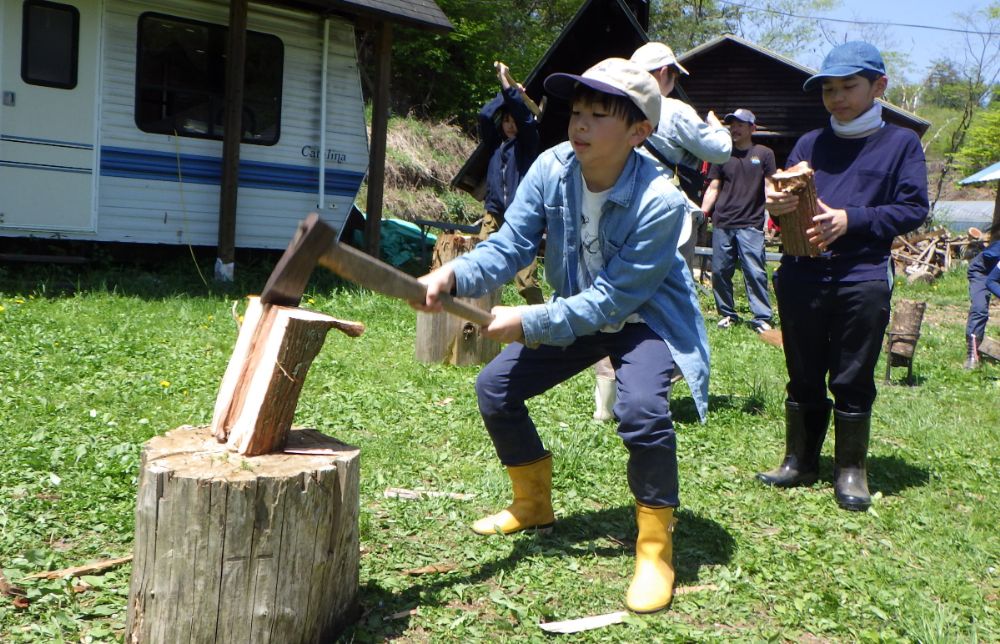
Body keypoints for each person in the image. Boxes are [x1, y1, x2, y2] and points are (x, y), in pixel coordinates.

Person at [413, 58, 709, 613]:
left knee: (641, 409)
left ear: (639, 132)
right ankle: (532, 505)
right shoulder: (551, 168)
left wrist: (525, 321)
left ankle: (654, 550)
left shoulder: (662, 202)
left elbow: (613, 301)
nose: (580, 124)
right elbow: (510, 247)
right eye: (576, 112)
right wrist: (452, 275)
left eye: (599, 115)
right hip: (578, 311)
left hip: (643, 319)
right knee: (495, 389)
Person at [757, 41, 929, 511]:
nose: (837, 97)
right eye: (828, 89)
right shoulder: (810, 143)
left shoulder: (901, 143)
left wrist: (851, 220)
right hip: (801, 272)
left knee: (852, 374)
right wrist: (776, 207)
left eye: (849, 86)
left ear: (879, 86)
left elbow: (914, 208)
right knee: (803, 370)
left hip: (862, 274)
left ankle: (850, 470)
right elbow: (781, 206)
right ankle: (800, 460)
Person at [587, 41, 731, 424]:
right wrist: (719, 129)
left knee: (609, 301)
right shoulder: (672, 109)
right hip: (659, 217)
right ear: (665, 73)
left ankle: (606, 402)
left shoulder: (606, 103)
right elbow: (718, 151)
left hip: (607, 215)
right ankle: (651, 395)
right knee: (665, 306)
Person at [700, 108, 775, 333]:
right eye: (732, 124)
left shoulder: (764, 153)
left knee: (755, 271)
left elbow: (769, 186)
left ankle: (762, 317)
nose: (735, 128)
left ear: (752, 128)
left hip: (751, 222)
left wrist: (773, 218)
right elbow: (714, 186)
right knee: (721, 271)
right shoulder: (723, 154)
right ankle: (727, 314)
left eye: (741, 124)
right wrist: (701, 214)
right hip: (723, 221)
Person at [478, 62, 544, 305]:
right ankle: (480, 312)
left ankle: (541, 322)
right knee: (481, 263)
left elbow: (526, 119)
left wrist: (511, 89)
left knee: (526, 280)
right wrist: (502, 91)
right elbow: (485, 115)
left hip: (519, 216)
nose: (510, 124)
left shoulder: (528, 143)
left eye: (513, 120)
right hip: (494, 212)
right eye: (506, 120)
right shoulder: (495, 143)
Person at [964, 239, 1000, 369]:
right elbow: (991, 282)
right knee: (980, 309)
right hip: (982, 272)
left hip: (996, 270)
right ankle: (972, 354)